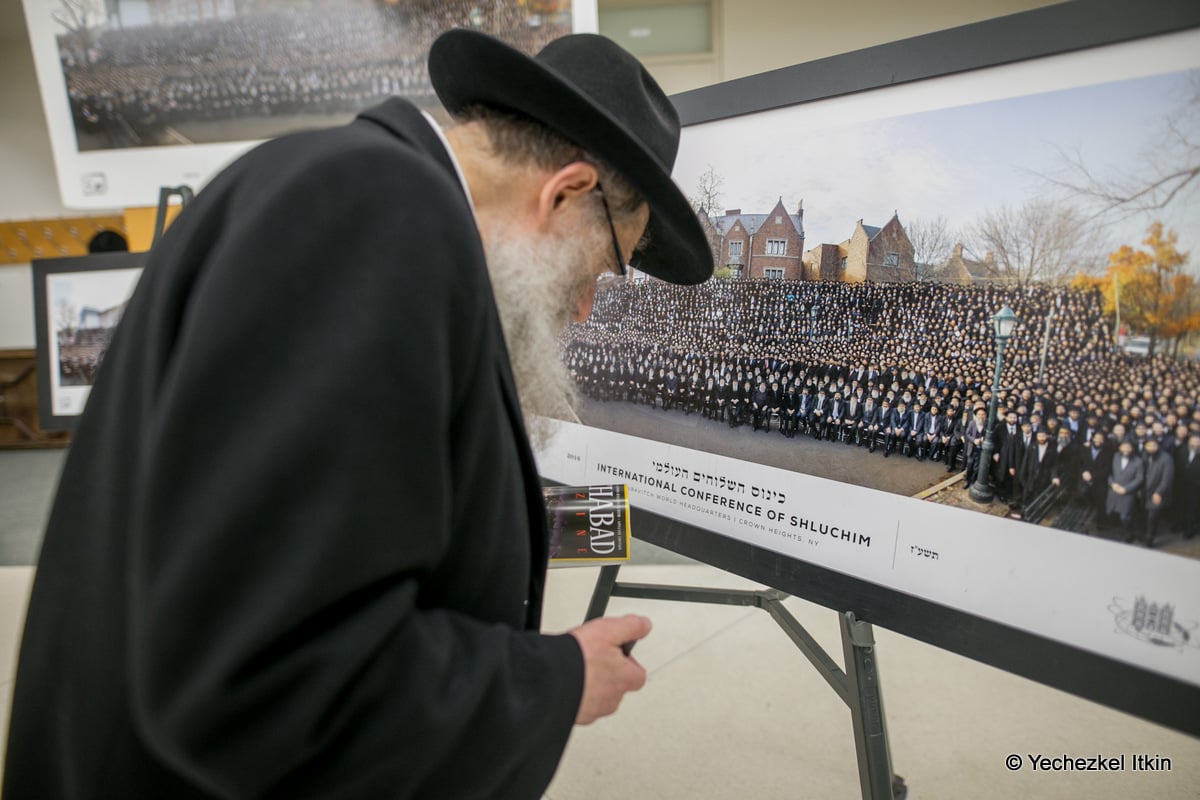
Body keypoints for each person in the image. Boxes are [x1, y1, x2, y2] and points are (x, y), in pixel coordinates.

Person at [3, 31, 713, 799]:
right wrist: (557, 681)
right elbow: (267, 682)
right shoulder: (376, 213)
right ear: (566, 191)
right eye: (602, 267)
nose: (583, 305)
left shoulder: (343, 182)